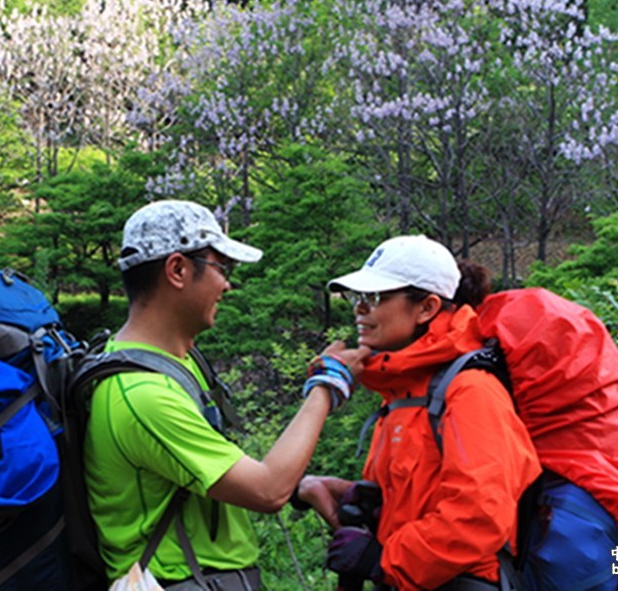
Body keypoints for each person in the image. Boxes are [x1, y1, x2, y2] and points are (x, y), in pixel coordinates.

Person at [83, 199, 372, 589]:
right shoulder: (142, 394)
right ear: (178, 270)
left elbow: (208, 471)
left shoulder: (165, 363)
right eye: (221, 267)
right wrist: (327, 386)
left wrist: (301, 487)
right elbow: (267, 490)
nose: (227, 284)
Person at [297, 235, 541, 590]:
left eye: (375, 297)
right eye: (357, 297)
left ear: (427, 307)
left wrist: (381, 561)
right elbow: (424, 499)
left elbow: (480, 516)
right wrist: (361, 498)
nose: (359, 309)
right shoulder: (404, 394)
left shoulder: (470, 391)